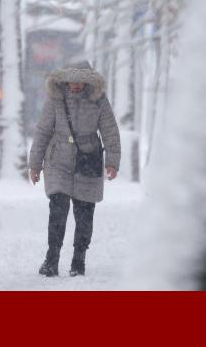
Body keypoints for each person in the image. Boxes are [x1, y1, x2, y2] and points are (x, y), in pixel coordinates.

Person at [27, 60, 121, 277]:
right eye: (72, 80)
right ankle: (52, 259)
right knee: (58, 208)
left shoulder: (98, 100)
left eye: (81, 81)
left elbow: (110, 130)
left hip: (87, 159)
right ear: (66, 80)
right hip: (58, 159)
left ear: (88, 81)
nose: (76, 85)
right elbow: (42, 131)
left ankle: (79, 260)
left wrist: (113, 161)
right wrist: (35, 164)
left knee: (85, 212)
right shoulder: (56, 99)